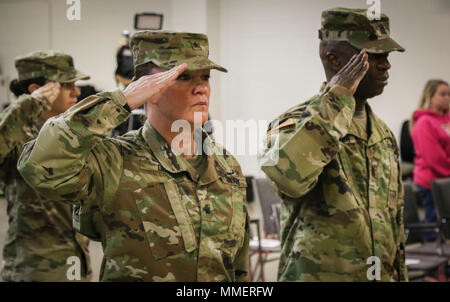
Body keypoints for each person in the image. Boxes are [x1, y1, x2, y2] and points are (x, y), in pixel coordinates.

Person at [18, 31, 249, 282]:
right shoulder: (116, 160)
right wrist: (122, 101)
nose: (202, 88)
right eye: (183, 77)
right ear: (150, 90)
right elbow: (37, 165)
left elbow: (238, 268)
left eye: (205, 77)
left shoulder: (227, 167)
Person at [260, 8, 406, 281]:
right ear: (334, 59)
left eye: (386, 56)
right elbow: (288, 178)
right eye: (374, 55)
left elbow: (394, 227)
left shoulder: (383, 135)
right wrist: (337, 96)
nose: (386, 64)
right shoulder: (292, 123)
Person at [0, 51, 92, 281]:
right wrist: (27, 106)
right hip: (34, 267)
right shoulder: (15, 136)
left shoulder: (70, 132)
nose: (77, 92)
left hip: (77, 261)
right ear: (36, 91)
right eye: (67, 85)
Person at [410, 79, 450, 242]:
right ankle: (434, 266)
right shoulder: (424, 122)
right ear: (430, 97)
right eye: (443, 94)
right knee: (435, 225)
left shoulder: (446, 120)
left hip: (446, 179)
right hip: (431, 182)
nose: (447, 97)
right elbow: (435, 159)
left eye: (449, 94)